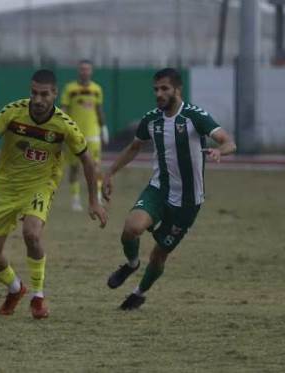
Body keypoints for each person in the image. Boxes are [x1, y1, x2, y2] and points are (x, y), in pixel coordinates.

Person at [102, 68, 236, 310]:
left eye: (164, 89)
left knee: (159, 254)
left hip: (187, 202)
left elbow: (229, 141)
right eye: (156, 89)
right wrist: (110, 173)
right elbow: (134, 147)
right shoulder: (152, 119)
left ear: (177, 89)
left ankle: (139, 293)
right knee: (131, 228)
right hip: (158, 190)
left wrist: (219, 150)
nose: (159, 94)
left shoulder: (195, 117)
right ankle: (131, 264)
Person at [0, 69, 108, 319]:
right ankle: (16, 289)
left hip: (40, 186)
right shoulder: (12, 112)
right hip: (5, 187)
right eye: (34, 93)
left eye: (44, 94)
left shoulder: (64, 125)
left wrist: (93, 201)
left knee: (32, 234)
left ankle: (38, 296)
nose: (38, 100)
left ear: (54, 94)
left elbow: (88, 162)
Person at [60, 60, 108, 211]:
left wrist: (103, 127)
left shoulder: (97, 89)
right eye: (82, 69)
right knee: (74, 167)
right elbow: (64, 109)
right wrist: (62, 128)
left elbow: (99, 109)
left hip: (93, 134)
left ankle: (98, 197)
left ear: (91, 71)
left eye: (87, 69)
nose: (84, 72)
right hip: (74, 134)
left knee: (96, 166)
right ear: (78, 71)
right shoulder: (70, 88)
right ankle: (75, 200)